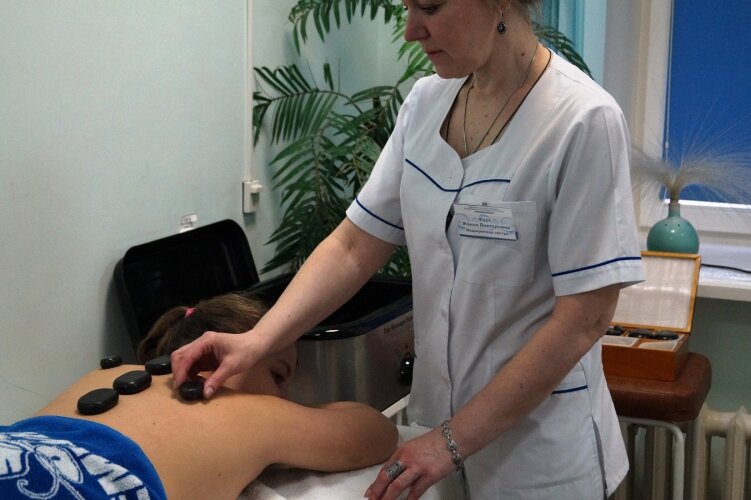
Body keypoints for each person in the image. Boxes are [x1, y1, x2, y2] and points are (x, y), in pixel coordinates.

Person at [171, 0, 646, 498]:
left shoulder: (582, 120)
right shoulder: (426, 104)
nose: (411, 30)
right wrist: (256, 340)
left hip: (538, 459)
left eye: (431, 7)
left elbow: (583, 319)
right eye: (406, 6)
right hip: (436, 436)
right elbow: (354, 245)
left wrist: (451, 442)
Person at [0, 293, 398, 499]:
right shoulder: (251, 412)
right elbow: (375, 432)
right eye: (279, 376)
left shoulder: (103, 376)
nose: (286, 397)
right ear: (216, 360)